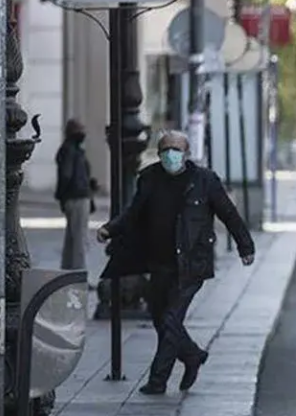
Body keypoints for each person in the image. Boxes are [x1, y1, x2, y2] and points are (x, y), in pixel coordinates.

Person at [96, 130, 255, 396]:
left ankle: (157, 381)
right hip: (158, 262)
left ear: (187, 153)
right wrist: (110, 229)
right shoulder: (149, 178)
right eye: (166, 149)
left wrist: (245, 246)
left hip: (192, 264)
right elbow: (133, 213)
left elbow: (229, 214)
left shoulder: (205, 181)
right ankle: (192, 356)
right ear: (158, 154)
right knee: (161, 320)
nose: (171, 154)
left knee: (171, 318)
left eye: (177, 149)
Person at [54, 118, 98, 270]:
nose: (83, 133)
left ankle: (68, 270)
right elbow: (67, 176)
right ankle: (79, 273)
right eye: (80, 130)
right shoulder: (71, 151)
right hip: (77, 197)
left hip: (75, 196)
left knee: (72, 237)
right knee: (79, 238)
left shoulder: (70, 150)